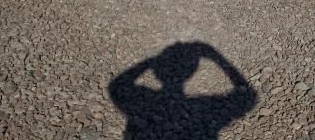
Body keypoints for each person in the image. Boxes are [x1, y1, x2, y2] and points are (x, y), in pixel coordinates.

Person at [109, 42, 257, 139]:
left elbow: (116, 87)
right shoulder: (205, 106)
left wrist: (150, 61)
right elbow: (247, 97)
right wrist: (217, 58)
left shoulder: (143, 100)